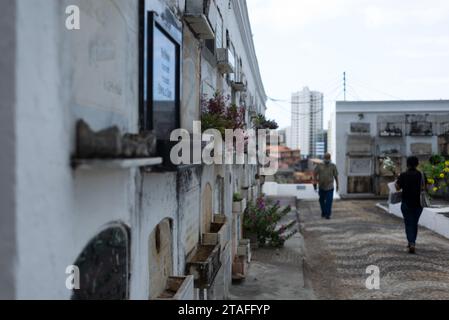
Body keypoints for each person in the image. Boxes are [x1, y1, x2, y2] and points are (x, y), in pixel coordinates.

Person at [396, 156, 425, 254]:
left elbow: (397, 188)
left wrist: (397, 181)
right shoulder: (421, 175)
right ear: (417, 164)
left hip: (406, 203)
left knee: (408, 223)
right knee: (414, 223)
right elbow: (426, 187)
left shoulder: (403, 175)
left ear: (407, 164)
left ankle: (411, 242)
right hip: (419, 203)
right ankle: (412, 242)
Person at [313, 153, 339, 220]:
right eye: (326, 158)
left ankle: (328, 214)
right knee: (321, 200)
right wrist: (315, 183)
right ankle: (323, 212)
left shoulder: (333, 166)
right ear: (324, 158)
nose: (327, 159)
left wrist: (338, 185)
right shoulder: (319, 166)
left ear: (330, 158)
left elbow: (336, 176)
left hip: (330, 187)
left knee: (329, 201)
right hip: (321, 187)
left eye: (328, 158)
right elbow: (315, 174)